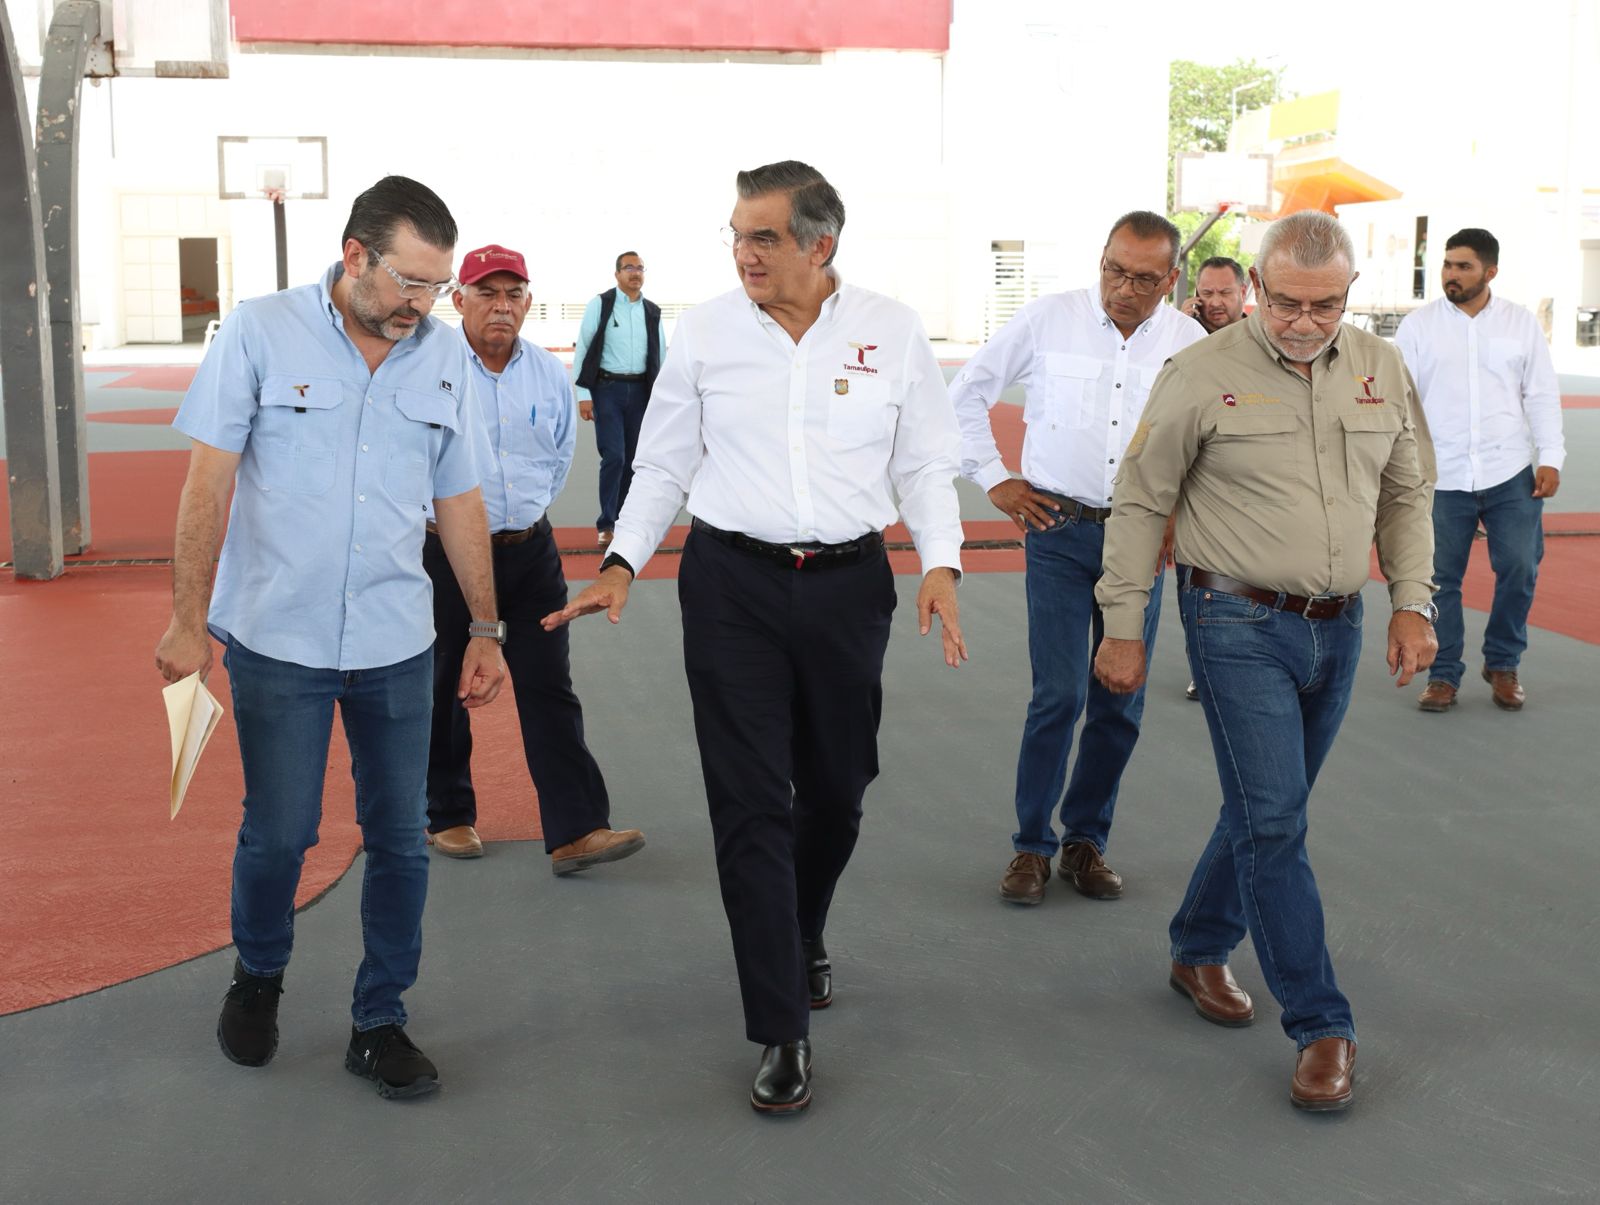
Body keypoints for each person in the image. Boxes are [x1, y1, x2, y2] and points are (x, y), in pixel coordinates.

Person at [544, 160, 967, 1116]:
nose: (744, 253)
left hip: (850, 586)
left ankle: (802, 926)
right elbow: (662, 463)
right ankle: (781, 1024)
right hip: (731, 585)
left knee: (838, 790)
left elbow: (925, 462)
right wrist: (622, 560)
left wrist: (940, 561)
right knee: (749, 805)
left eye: (764, 237)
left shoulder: (892, 330)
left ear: (821, 244)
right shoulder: (704, 332)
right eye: (737, 235)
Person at [154, 176, 505, 1100]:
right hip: (279, 639)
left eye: (436, 286)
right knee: (281, 833)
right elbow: (206, 484)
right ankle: (258, 974)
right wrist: (187, 619)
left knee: (401, 840)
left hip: (397, 642)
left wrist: (485, 626)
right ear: (355, 255)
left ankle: (379, 1019)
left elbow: (459, 498)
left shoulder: (442, 356)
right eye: (409, 281)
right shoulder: (259, 333)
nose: (423, 303)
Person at [1093, 210, 1438, 1113]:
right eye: (1285, 302)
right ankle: (1322, 1023)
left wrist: (1412, 601)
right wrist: (1122, 624)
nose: (1303, 322)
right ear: (1254, 285)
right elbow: (1140, 500)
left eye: (1325, 305)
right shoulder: (1200, 372)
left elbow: (1407, 492)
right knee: (1276, 820)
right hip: (1234, 619)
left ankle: (1199, 942)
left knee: (1265, 808)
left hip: (1340, 625)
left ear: (1351, 293)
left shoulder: (1381, 365)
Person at [949, 211, 1205, 907]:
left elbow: (1210, 438)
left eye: (1144, 279)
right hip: (1057, 530)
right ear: (1101, 259)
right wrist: (994, 478)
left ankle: (1086, 841)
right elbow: (965, 393)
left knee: (1120, 698)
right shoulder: (1048, 320)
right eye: (1114, 270)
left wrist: (1179, 513)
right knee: (1058, 695)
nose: (1123, 288)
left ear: (1171, 280)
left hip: (1139, 538)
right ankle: (1031, 846)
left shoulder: (1189, 343)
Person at [423, 243, 645, 871]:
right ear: (458, 299)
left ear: (527, 302)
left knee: (550, 685)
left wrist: (518, 516)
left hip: (529, 552)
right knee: (443, 683)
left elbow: (558, 456)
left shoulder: (548, 371)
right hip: (444, 555)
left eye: (513, 294)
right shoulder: (429, 367)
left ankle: (577, 829)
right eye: (486, 293)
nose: (501, 305)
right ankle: (448, 814)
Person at [1394, 228, 1565, 713]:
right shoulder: (1419, 327)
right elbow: (1399, 401)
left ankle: (1503, 662)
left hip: (1509, 469)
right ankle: (1444, 675)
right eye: (1447, 265)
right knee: (1440, 580)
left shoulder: (1520, 324)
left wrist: (1551, 456)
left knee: (1519, 566)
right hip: (1442, 475)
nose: (1451, 274)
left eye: (1463, 266)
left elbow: (1540, 393)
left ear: (1490, 272)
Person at [1179, 254, 1252, 700]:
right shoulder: (1181, 336)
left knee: (1245, 579)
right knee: (1195, 579)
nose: (1215, 301)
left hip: (1242, 478)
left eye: (1225, 292)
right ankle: (1202, 666)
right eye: (1206, 293)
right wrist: (1183, 325)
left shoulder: (1259, 339)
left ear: (1245, 292)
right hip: (1190, 480)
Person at [572, 251, 664, 549]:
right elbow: (584, 349)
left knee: (635, 460)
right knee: (614, 456)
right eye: (629, 268)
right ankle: (607, 524)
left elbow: (660, 357)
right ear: (617, 274)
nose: (635, 273)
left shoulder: (652, 311)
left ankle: (626, 522)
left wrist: (662, 400)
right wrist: (583, 395)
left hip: (640, 392)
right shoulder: (601, 304)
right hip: (607, 390)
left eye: (640, 268)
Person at [1180, 254, 1252, 334]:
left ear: (1243, 292)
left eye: (1225, 293)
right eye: (1207, 293)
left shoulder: (1258, 335)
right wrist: (1181, 327)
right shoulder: (1186, 331)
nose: (1216, 303)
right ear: (1196, 295)